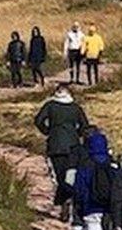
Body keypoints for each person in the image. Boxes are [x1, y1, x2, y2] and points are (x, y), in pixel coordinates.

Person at [73, 127, 119, 230]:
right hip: (109, 209)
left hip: (91, 209)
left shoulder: (85, 166)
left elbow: (79, 190)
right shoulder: (112, 166)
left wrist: (80, 207)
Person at [34, 84, 90, 213]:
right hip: (73, 144)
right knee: (70, 174)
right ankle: (67, 198)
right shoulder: (75, 108)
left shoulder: (50, 106)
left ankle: (63, 200)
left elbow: (38, 120)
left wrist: (47, 131)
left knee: (59, 175)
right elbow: (85, 125)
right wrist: (77, 133)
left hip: (55, 144)